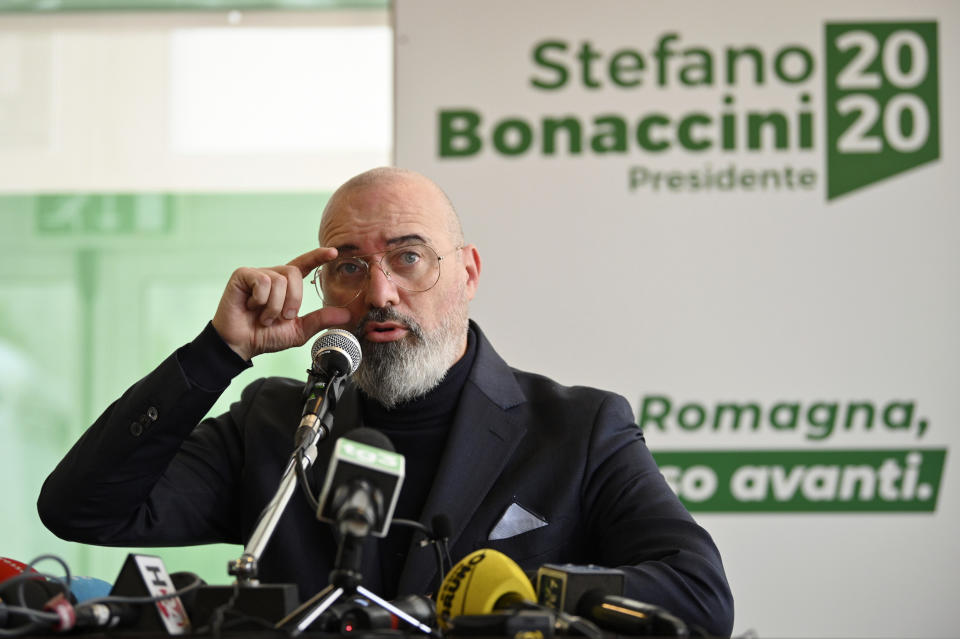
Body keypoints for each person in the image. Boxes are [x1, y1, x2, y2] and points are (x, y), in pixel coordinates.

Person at [38, 167, 734, 636]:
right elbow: (84, 506)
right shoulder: (275, 424)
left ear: (466, 272)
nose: (378, 293)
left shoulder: (578, 429)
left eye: (408, 257)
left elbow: (699, 595)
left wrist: (517, 593)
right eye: (347, 265)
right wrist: (221, 351)